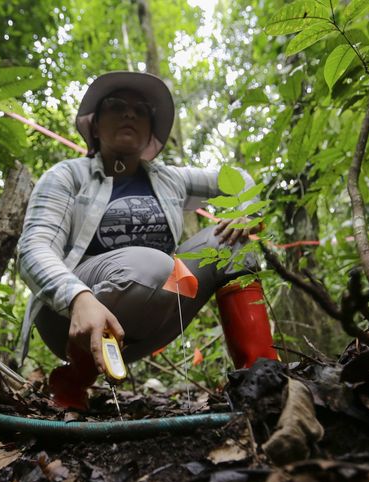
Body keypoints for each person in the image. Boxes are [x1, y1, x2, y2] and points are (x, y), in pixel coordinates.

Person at [17, 71, 277, 410]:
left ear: (150, 132)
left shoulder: (170, 180)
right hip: (68, 316)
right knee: (153, 266)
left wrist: (245, 211)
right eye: (116, 106)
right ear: (94, 126)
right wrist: (77, 297)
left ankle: (261, 377)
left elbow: (237, 178)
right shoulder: (68, 176)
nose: (129, 114)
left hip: (153, 303)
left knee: (232, 241)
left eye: (141, 110)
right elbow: (33, 249)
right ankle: (75, 375)